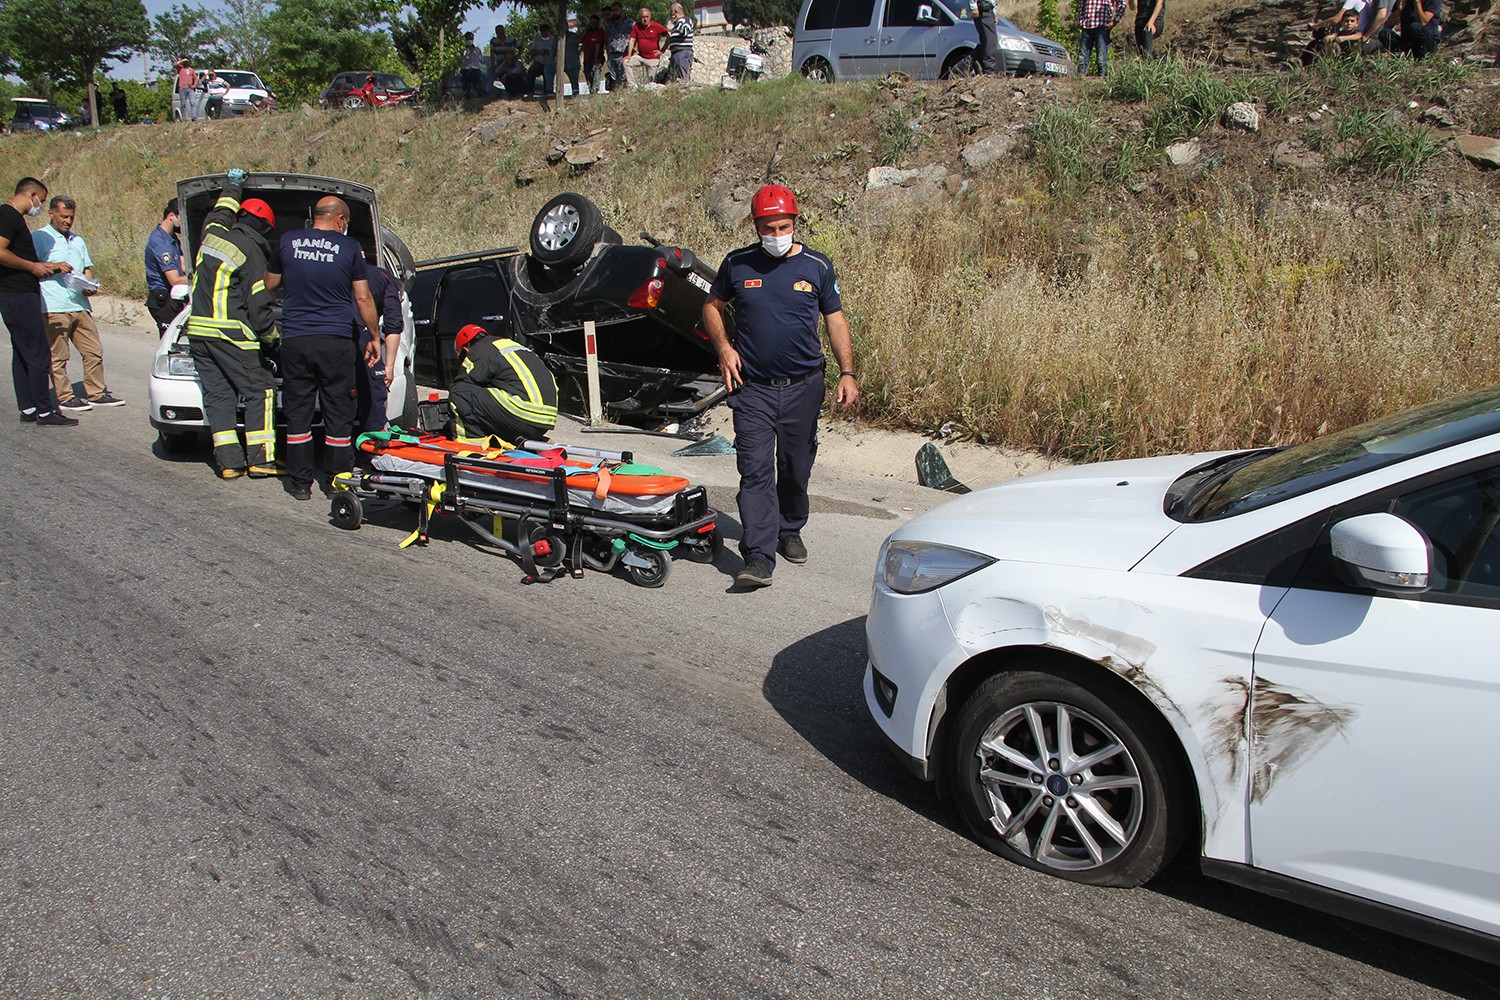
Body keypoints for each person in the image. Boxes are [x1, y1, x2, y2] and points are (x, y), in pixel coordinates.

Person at [701, 184, 859, 589]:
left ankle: (789, 529)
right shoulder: (737, 264)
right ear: (755, 226)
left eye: (783, 226)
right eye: (767, 228)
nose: (775, 235)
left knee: (794, 467)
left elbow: (835, 320)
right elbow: (711, 306)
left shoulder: (817, 266)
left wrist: (847, 372)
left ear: (795, 221)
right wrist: (723, 347)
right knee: (754, 470)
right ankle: (757, 556)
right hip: (751, 388)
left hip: (804, 387)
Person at [264, 196, 382, 501]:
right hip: (335, 341)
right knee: (339, 412)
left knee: (298, 412)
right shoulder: (349, 248)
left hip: (296, 339)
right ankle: (336, 481)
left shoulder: (289, 242)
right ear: (340, 220)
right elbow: (364, 298)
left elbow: (269, 283)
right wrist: (373, 335)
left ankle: (300, 483)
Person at [183, 170, 280, 477]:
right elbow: (258, 303)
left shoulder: (212, 235)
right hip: (232, 335)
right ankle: (261, 459)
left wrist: (233, 185)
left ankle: (229, 463)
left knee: (219, 395)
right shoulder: (251, 251)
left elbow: (221, 210)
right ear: (264, 228)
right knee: (260, 390)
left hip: (198, 333)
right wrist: (270, 336)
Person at [33, 196, 122, 413]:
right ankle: (65, 396)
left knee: (93, 350)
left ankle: (96, 393)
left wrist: (89, 284)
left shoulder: (77, 240)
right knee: (59, 355)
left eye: (71, 217)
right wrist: (56, 266)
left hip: (79, 304)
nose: (67, 221)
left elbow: (87, 268)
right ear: (51, 213)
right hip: (54, 304)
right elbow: (33, 267)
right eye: (64, 216)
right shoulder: (39, 238)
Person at [0, 177, 77, 427]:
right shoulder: (9, 215)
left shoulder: (11, 217)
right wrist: (32, 266)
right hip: (18, 295)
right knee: (38, 353)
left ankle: (29, 407)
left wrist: (46, 267)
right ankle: (45, 410)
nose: (40, 207)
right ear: (31, 195)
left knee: (23, 353)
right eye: (41, 201)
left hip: (17, 293)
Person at [447, 324, 558, 445]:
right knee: (491, 394)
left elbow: (463, 384)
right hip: (544, 421)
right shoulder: (509, 345)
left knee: (459, 392)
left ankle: (472, 444)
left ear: (465, 350)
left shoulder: (478, 350)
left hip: (523, 414)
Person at [355, 251, 405, 434]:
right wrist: (389, 367)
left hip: (324, 329)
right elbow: (393, 326)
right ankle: (376, 440)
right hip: (355, 326)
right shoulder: (389, 282)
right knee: (374, 384)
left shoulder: (355, 271)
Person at [145, 198, 188, 334]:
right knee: (170, 342)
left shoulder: (172, 239)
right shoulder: (159, 242)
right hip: (163, 300)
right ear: (171, 216)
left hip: (175, 297)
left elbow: (183, 265)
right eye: (182, 219)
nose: (184, 224)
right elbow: (174, 280)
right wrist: (201, 278)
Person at [1078, 0, 1125, 76]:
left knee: (1101, 59)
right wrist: (1080, 20)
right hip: (1087, 25)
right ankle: (1079, 79)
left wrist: (1115, 21)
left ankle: (1102, 81)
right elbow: (1081, 4)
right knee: (1082, 58)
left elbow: (1122, 4)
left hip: (1103, 25)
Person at [624, 7, 669, 87]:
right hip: (641, 56)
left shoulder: (656, 26)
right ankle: (632, 86)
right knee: (626, 62)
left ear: (650, 17)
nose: (645, 19)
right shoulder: (637, 26)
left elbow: (668, 35)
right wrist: (629, 55)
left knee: (651, 83)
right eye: (643, 17)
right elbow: (632, 40)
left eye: (646, 17)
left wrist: (662, 50)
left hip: (652, 58)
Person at [605, 3, 633, 90]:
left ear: (621, 10)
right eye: (613, 10)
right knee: (615, 79)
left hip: (624, 54)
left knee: (624, 77)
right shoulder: (610, 24)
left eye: (616, 10)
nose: (615, 12)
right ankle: (618, 94)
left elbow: (635, 38)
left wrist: (631, 52)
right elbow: (607, 37)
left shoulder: (630, 23)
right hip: (612, 54)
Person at [665, 2, 695, 82]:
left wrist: (676, 22)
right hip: (675, 53)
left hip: (682, 53)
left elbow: (684, 32)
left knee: (683, 78)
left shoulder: (686, 20)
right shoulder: (678, 23)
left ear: (675, 12)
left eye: (671, 12)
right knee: (673, 77)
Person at [528, 22, 558, 96]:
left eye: (545, 31)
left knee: (548, 73)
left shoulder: (554, 40)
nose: (543, 33)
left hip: (550, 62)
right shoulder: (536, 40)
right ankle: (530, 92)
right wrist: (539, 52)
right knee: (530, 72)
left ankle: (548, 91)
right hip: (539, 62)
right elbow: (530, 51)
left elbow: (558, 51)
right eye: (541, 31)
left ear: (549, 31)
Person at [970, 0, 999, 73]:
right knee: (989, 41)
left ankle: (965, 62)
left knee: (989, 41)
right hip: (983, 10)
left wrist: (994, 13)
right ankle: (989, 70)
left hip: (989, 10)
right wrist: (973, 7)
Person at [581, 14, 608, 93]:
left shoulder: (600, 32)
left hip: (597, 57)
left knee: (596, 71)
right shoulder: (587, 33)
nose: (593, 24)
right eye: (591, 23)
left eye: (595, 23)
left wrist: (596, 58)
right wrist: (585, 30)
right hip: (587, 57)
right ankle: (590, 88)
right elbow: (580, 41)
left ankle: (595, 89)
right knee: (587, 73)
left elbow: (598, 45)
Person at [489, 25, 519, 90]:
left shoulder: (511, 40)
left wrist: (518, 56)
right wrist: (492, 65)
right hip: (500, 62)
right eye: (498, 31)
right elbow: (492, 54)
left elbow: (520, 46)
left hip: (511, 63)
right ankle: (490, 92)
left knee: (513, 75)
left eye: (502, 31)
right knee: (493, 73)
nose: (500, 33)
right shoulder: (493, 41)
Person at [460, 31, 484, 99]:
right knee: (466, 86)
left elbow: (481, 60)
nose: (469, 40)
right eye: (468, 39)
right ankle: (467, 97)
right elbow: (460, 60)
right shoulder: (463, 50)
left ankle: (479, 97)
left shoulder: (477, 50)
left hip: (475, 70)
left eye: (471, 39)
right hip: (466, 70)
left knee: (478, 86)